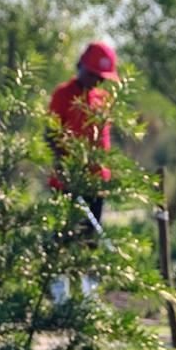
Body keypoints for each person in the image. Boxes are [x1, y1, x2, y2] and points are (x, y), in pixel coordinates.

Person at [47, 41, 118, 299]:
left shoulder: (102, 99)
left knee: (90, 241)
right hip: (65, 183)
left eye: (101, 77)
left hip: (95, 183)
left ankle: (89, 296)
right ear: (81, 68)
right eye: (93, 75)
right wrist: (65, 170)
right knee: (62, 239)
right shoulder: (63, 94)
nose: (97, 81)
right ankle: (59, 293)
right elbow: (51, 135)